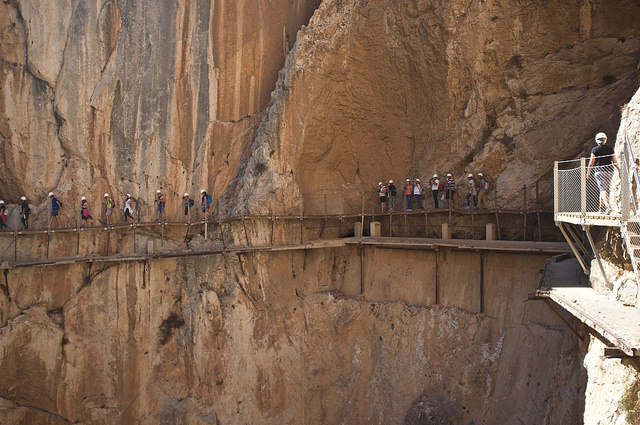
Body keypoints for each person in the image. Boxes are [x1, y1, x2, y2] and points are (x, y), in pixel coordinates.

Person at [586, 132, 620, 214]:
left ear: (597, 141)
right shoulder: (610, 149)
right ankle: (601, 208)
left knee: (602, 189)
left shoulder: (595, 150)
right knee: (604, 188)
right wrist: (619, 169)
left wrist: (588, 172)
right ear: (605, 140)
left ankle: (608, 207)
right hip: (609, 171)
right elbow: (614, 161)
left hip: (599, 171)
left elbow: (591, 162)